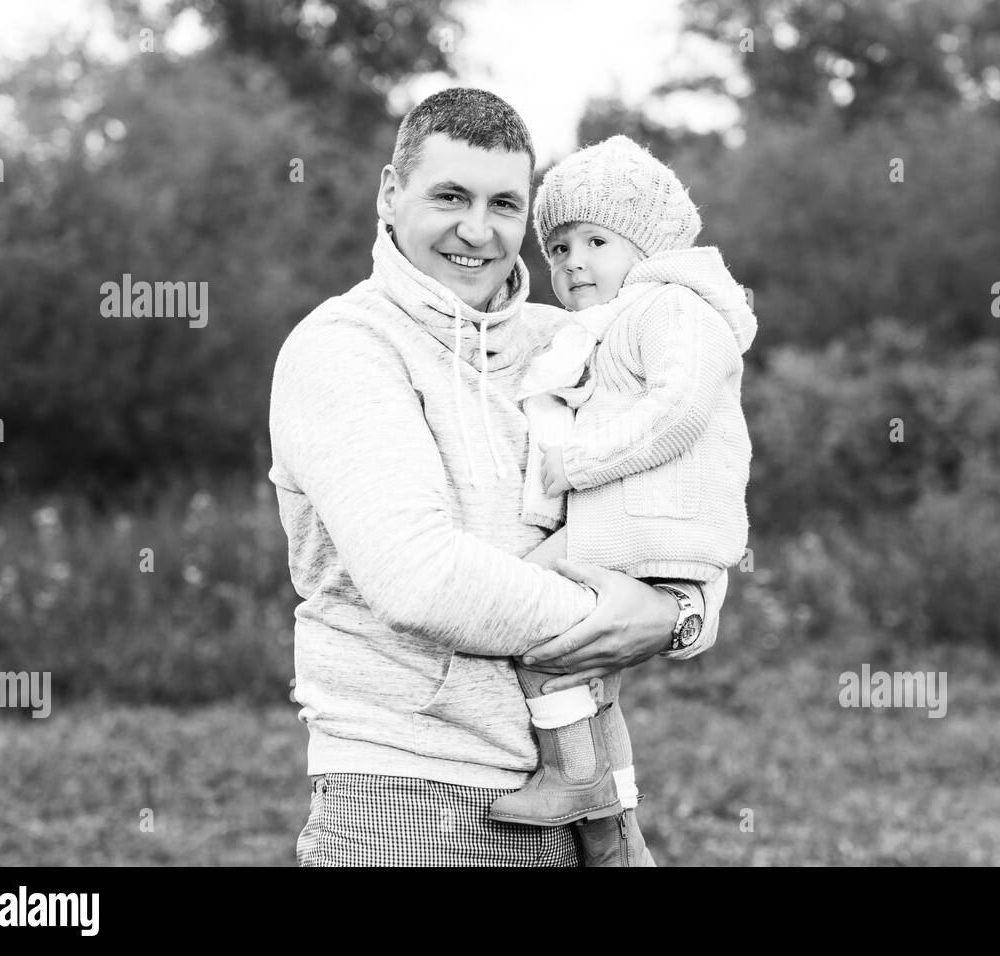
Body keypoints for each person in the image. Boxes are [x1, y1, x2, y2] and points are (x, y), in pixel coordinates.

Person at [267, 87, 728, 866]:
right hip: (404, 802)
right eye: (450, 196)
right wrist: (629, 618)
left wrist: (683, 611)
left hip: (578, 795)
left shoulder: (570, 343)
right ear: (390, 193)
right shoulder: (344, 348)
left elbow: (684, 496)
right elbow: (420, 578)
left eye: (505, 204)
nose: (477, 231)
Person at [487, 135, 755, 867]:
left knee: (523, 608)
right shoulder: (601, 329)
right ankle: (617, 830)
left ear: (650, 244)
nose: (574, 261)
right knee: (584, 666)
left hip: (649, 527)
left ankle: (578, 782)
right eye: (560, 246)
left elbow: (679, 410)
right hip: (633, 525)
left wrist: (574, 463)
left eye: (596, 240)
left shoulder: (673, 307)